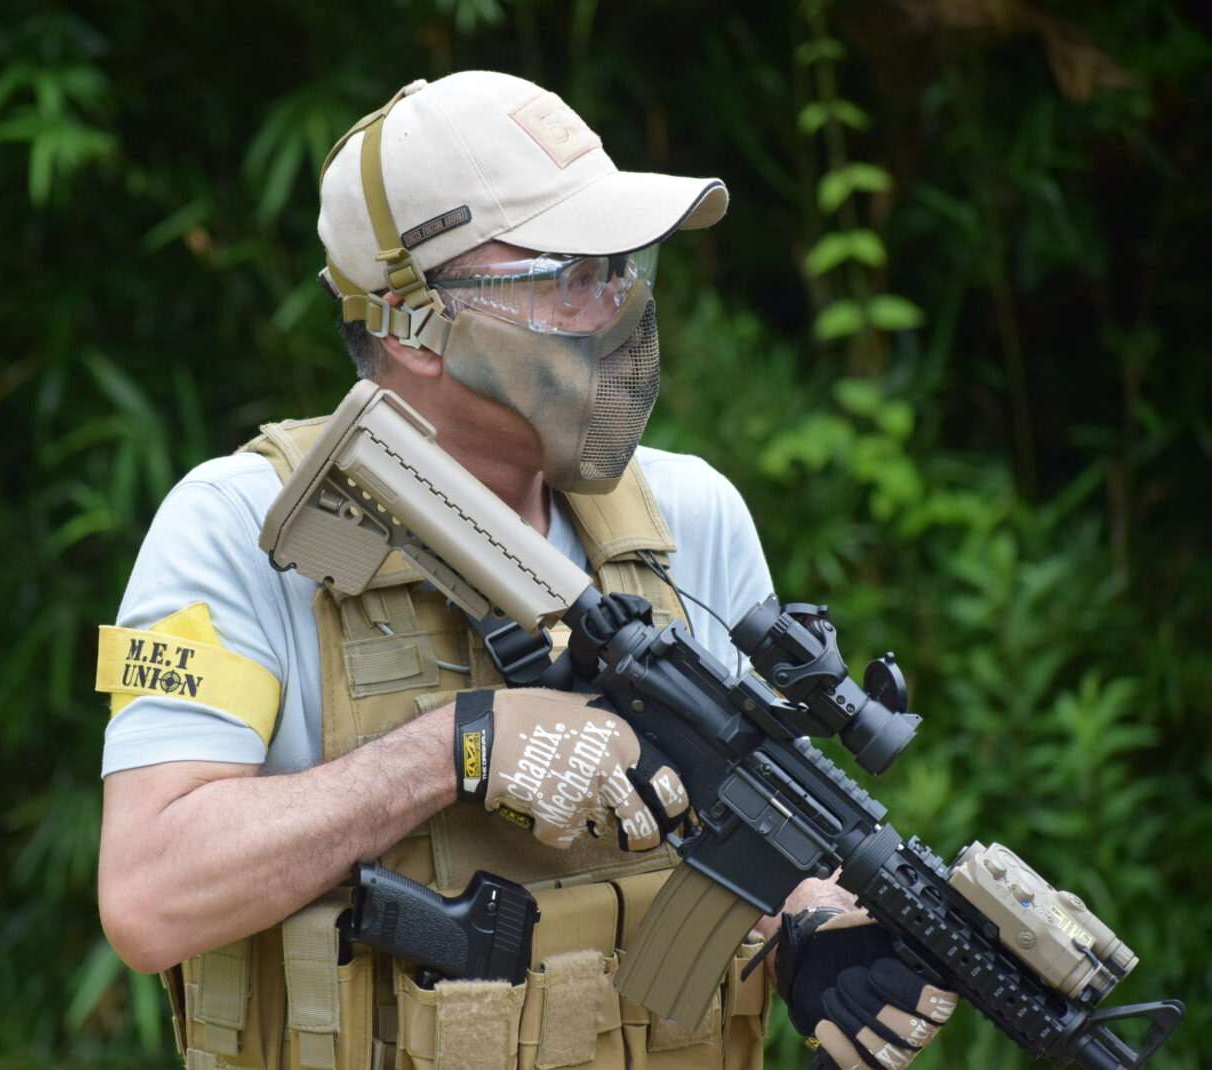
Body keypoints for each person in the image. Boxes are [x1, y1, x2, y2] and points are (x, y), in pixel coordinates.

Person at [97, 71, 956, 1070]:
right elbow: (149, 894)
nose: (620, 308)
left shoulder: (688, 518)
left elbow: (733, 836)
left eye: (622, 267)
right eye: (570, 273)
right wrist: (454, 748)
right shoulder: (238, 525)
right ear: (414, 324)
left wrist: (812, 930)